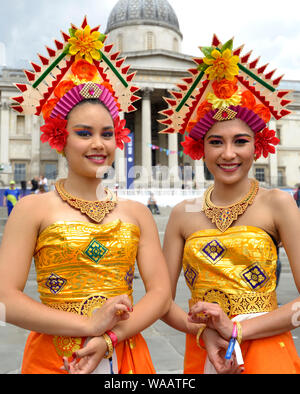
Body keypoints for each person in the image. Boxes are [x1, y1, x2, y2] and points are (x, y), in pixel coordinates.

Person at [0, 17, 171, 375]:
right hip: (53, 359)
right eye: (84, 133)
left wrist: (109, 338)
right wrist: (89, 327)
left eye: (107, 133)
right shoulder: (32, 210)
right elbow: (5, 300)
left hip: (126, 357)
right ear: (61, 138)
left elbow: (160, 294)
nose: (98, 144)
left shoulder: (136, 212)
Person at [159, 35, 300, 374]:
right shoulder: (183, 213)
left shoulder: (278, 204)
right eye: (215, 142)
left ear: (258, 145)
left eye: (240, 141)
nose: (228, 154)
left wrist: (237, 329)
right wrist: (204, 332)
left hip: (268, 351)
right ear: (200, 148)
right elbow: (160, 302)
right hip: (205, 354)